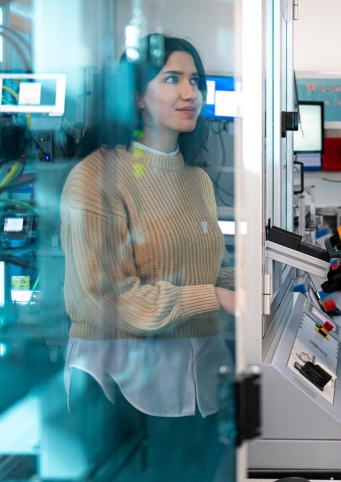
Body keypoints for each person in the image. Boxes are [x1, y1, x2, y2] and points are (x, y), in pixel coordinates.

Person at [60, 33, 235, 454]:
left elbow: (212, 269)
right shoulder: (96, 177)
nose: (189, 93)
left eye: (195, 81)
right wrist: (214, 296)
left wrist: (265, 284)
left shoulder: (195, 179)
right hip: (122, 383)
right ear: (137, 95)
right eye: (172, 79)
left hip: (198, 378)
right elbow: (109, 299)